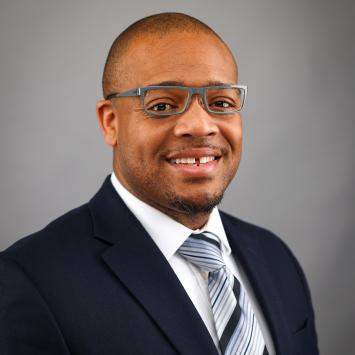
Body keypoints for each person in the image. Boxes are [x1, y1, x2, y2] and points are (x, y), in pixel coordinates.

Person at [0, 12, 319, 355]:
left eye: (221, 102)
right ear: (111, 123)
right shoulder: (31, 282)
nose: (200, 126)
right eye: (163, 104)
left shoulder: (275, 256)